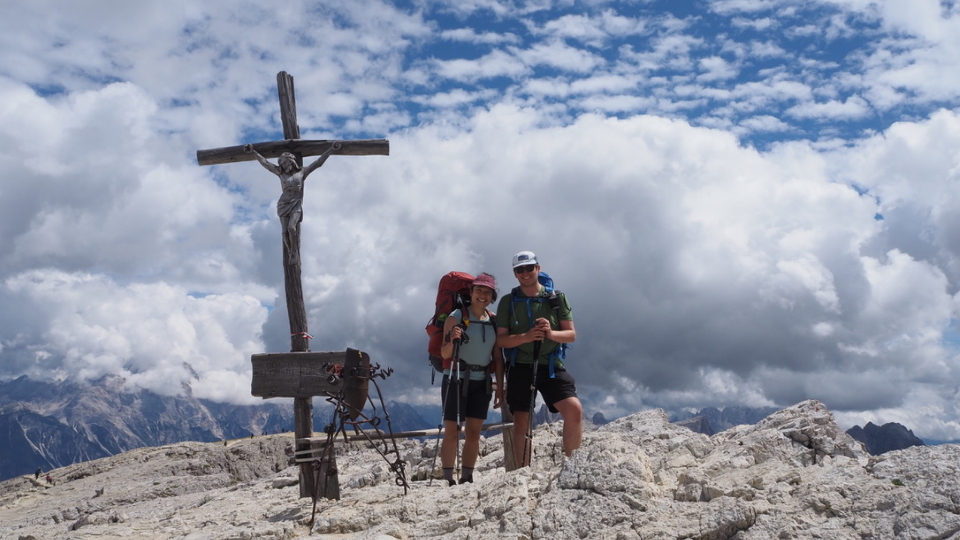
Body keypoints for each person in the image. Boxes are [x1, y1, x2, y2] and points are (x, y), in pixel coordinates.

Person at [496, 251, 582, 467]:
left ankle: (573, 467)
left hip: (551, 364)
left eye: (529, 268)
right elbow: (501, 340)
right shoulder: (508, 301)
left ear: (538, 268)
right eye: (520, 270)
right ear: (515, 273)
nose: (525, 273)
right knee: (521, 420)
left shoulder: (556, 298)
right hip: (520, 366)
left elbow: (571, 334)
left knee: (574, 409)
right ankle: (522, 473)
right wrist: (526, 337)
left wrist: (550, 334)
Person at [439, 273, 504, 485]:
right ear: (471, 292)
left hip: (482, 380)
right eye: (479, 291)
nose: (482, 295)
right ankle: (448, 478)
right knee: (453, 431)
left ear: (492, 296)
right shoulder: (455, 317)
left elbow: (497, 357)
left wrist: (500, 387)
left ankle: (467, 476)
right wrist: (453, 339)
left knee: (474, 432)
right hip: (455, 377)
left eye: (487, 292)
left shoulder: (494, 321)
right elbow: (445, 353)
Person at [244, 143, 340, 263]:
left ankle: (295, 252)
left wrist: (331, 149)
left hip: (296, 204)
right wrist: (253, 152)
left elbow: (318, 162)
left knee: (291, 228)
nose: (285, 165)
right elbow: (266, 164)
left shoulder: (302, 173)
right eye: (282, 164)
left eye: (286, 162)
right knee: (284, 231)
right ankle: (290, 252)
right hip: (283, 204)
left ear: (292, 161)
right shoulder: (281, 174)